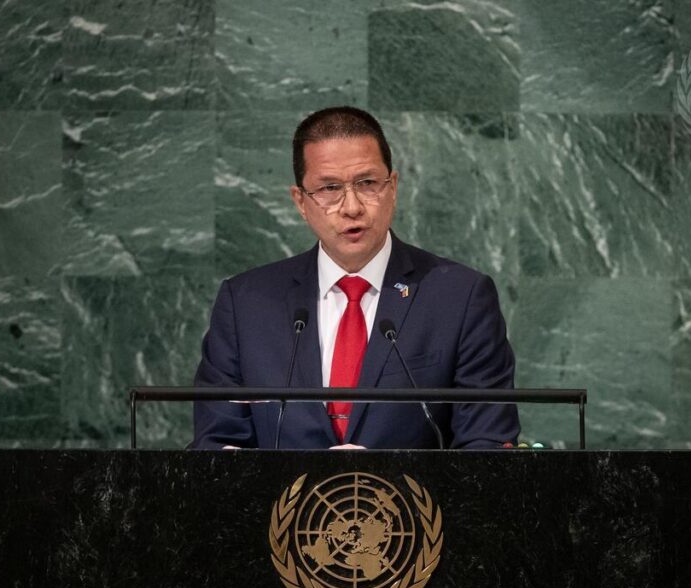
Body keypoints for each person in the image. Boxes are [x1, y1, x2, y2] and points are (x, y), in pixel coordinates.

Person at [190, 106, 519, 449]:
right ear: (300, 202)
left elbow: (487, 442)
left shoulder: (459, 298)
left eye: (367, 184)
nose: (352, 207)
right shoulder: (246, 304)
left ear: (393, 187)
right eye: (329, 188)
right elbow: (216, 442)